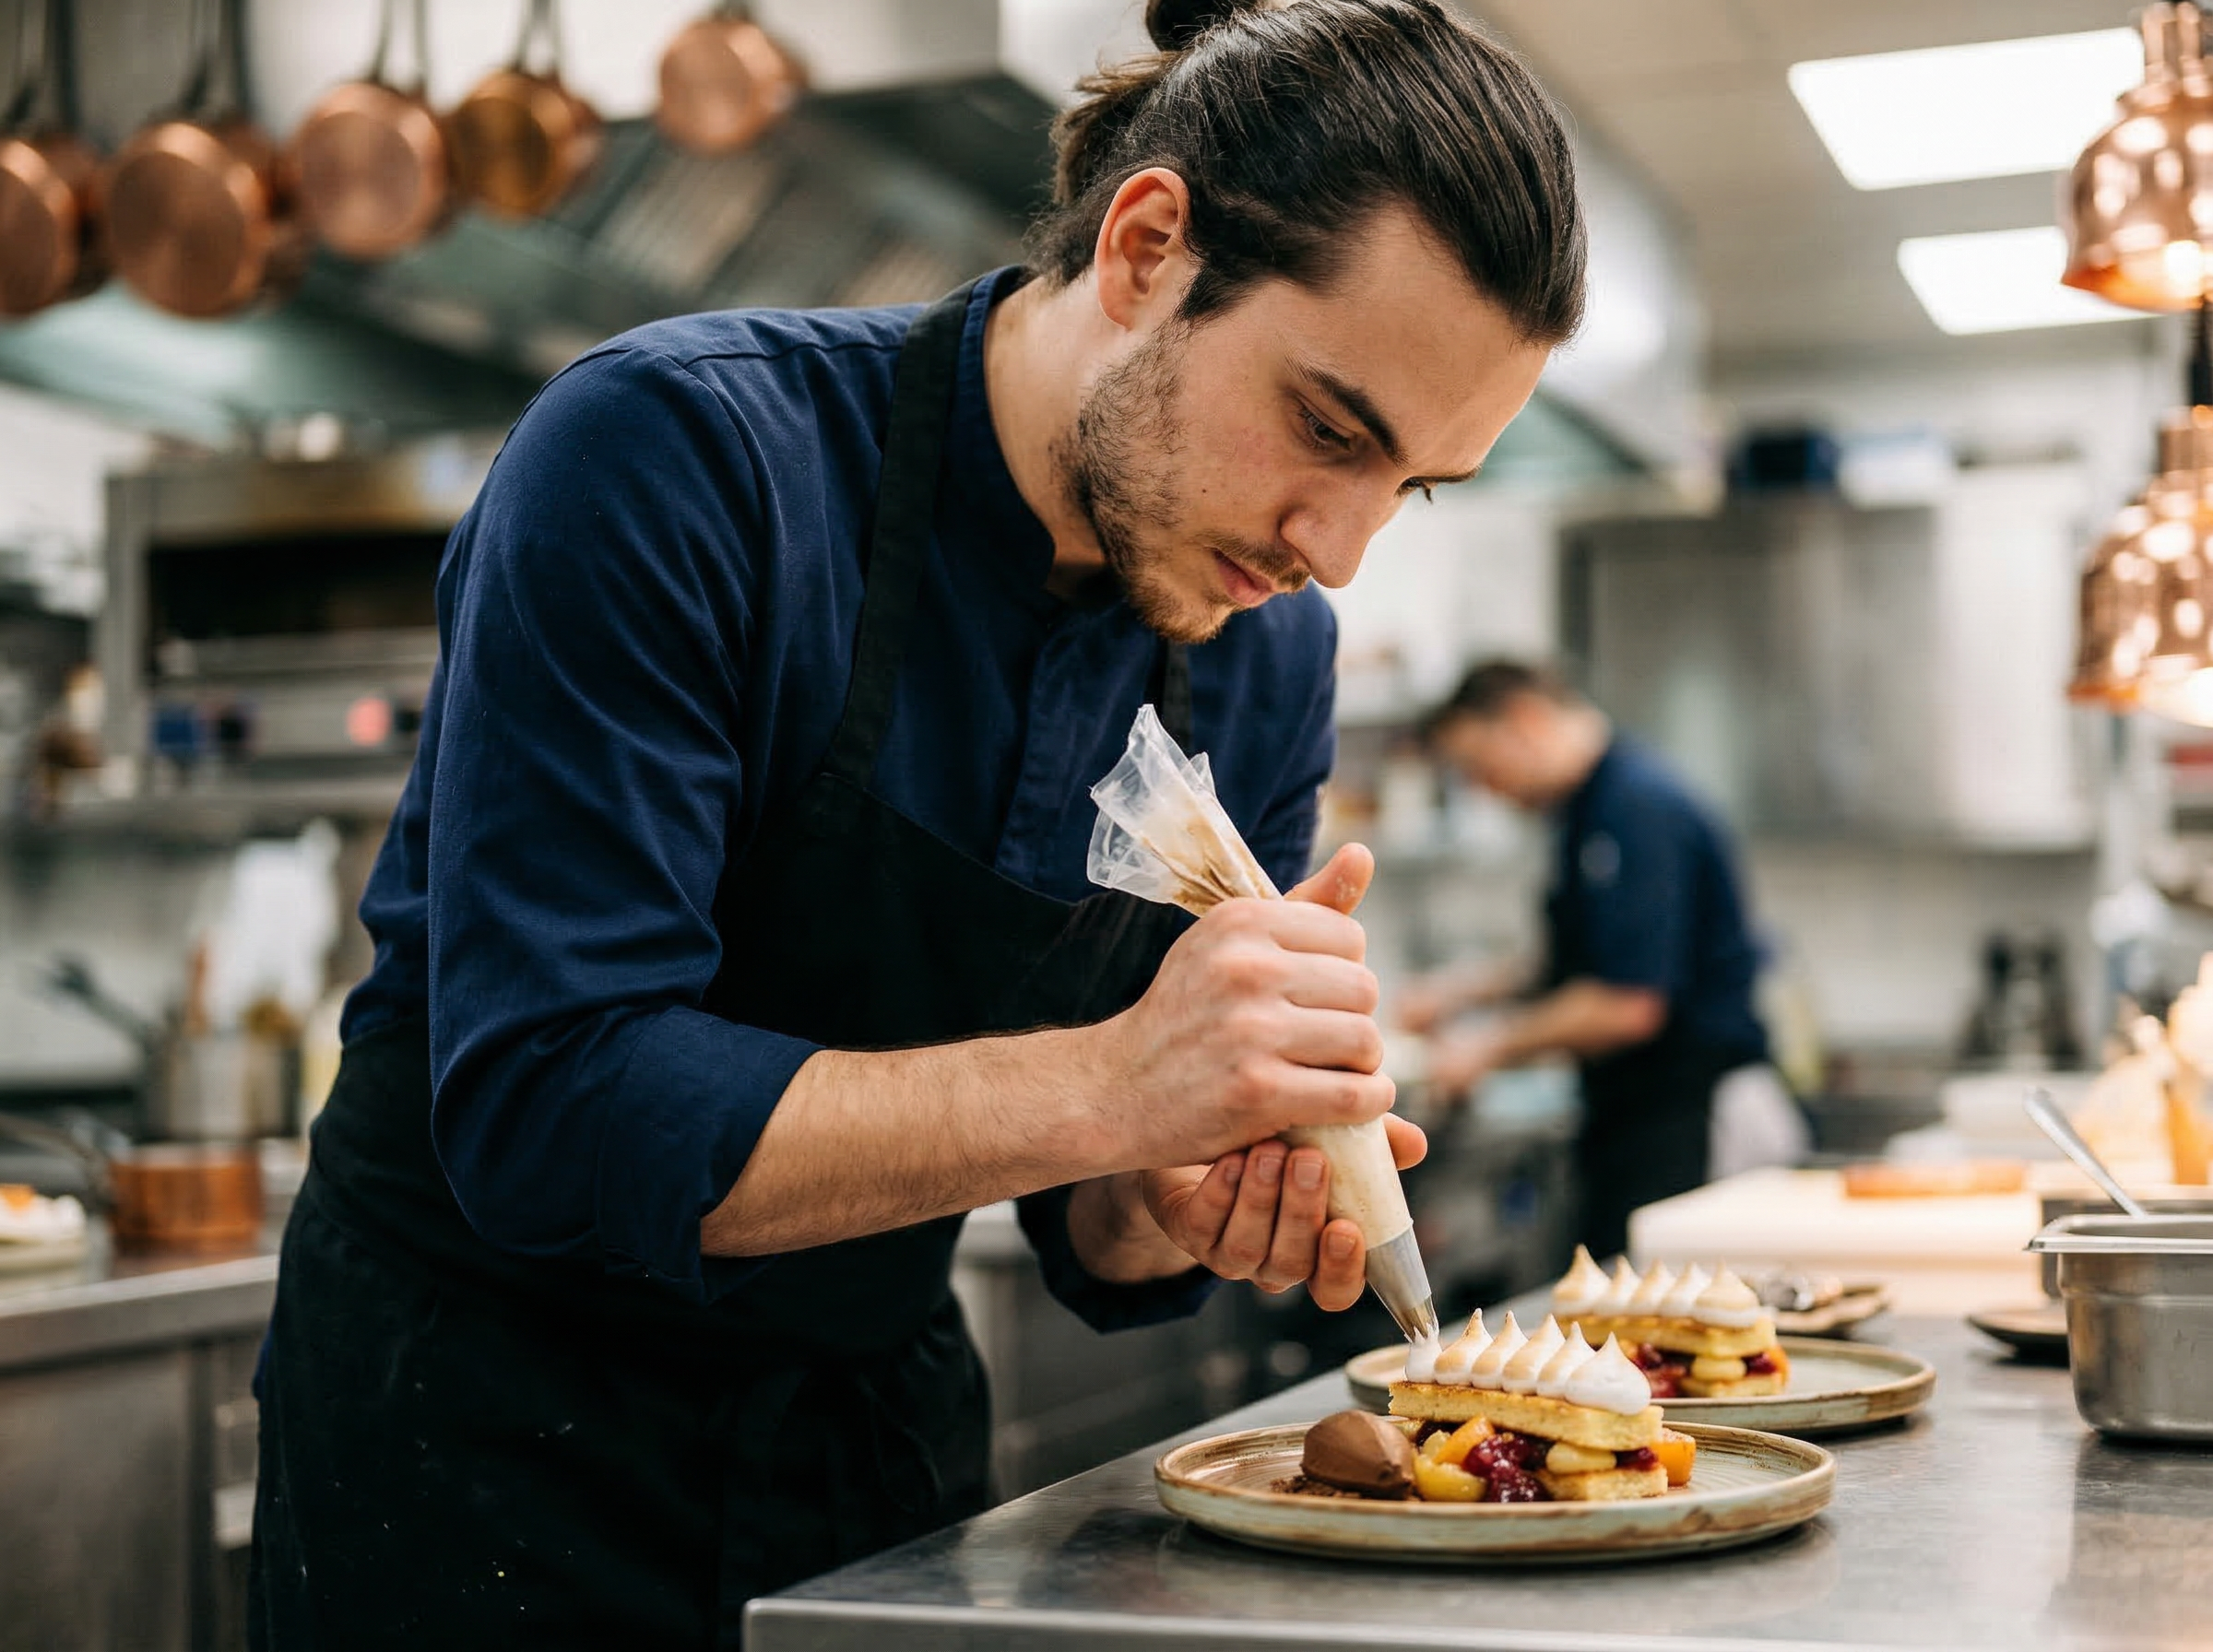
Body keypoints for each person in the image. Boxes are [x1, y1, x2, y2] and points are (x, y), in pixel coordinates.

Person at [249, 2, 1585, 1643]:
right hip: (480, 1455)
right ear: (1149, 246)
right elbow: (553, 1100)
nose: (1342, 547)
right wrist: (1116, 1081)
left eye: (1418, 485)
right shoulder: (678, 460)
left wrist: (1183, 1175)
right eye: (1329, 428)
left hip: (864, 1455)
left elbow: (1091, 1217)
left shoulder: (1257, 651)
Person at [1400, 661, 1794, 1258]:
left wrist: (1486, 1049)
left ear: (1526, 721)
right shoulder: (1588, 810)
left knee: (1672, 1325)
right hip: (1641, 1116)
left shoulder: (1634, 808)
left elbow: (1628, 1004)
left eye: (1481, 766)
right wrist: (1463, 992)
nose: (1485, 789)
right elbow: (1580, 960)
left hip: (1690, 1119)